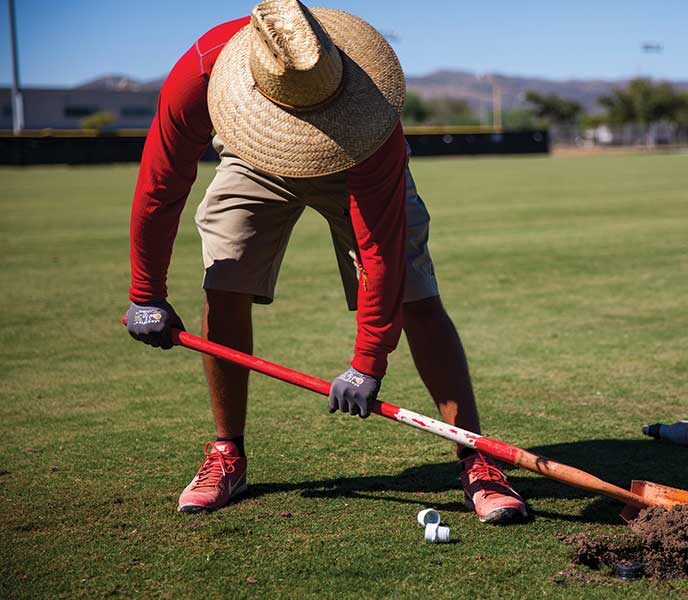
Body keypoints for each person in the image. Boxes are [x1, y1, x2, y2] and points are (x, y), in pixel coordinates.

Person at [124, 0, 527, 525]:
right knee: (224, 280)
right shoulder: (200, 72)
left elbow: (381, 250)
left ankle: (477, 457)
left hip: (352, 146)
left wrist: (367, 362)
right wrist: (146, 293)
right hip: (252, 146)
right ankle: (228, 454)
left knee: (416, 295)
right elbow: (160, 186)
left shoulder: (370, 111)